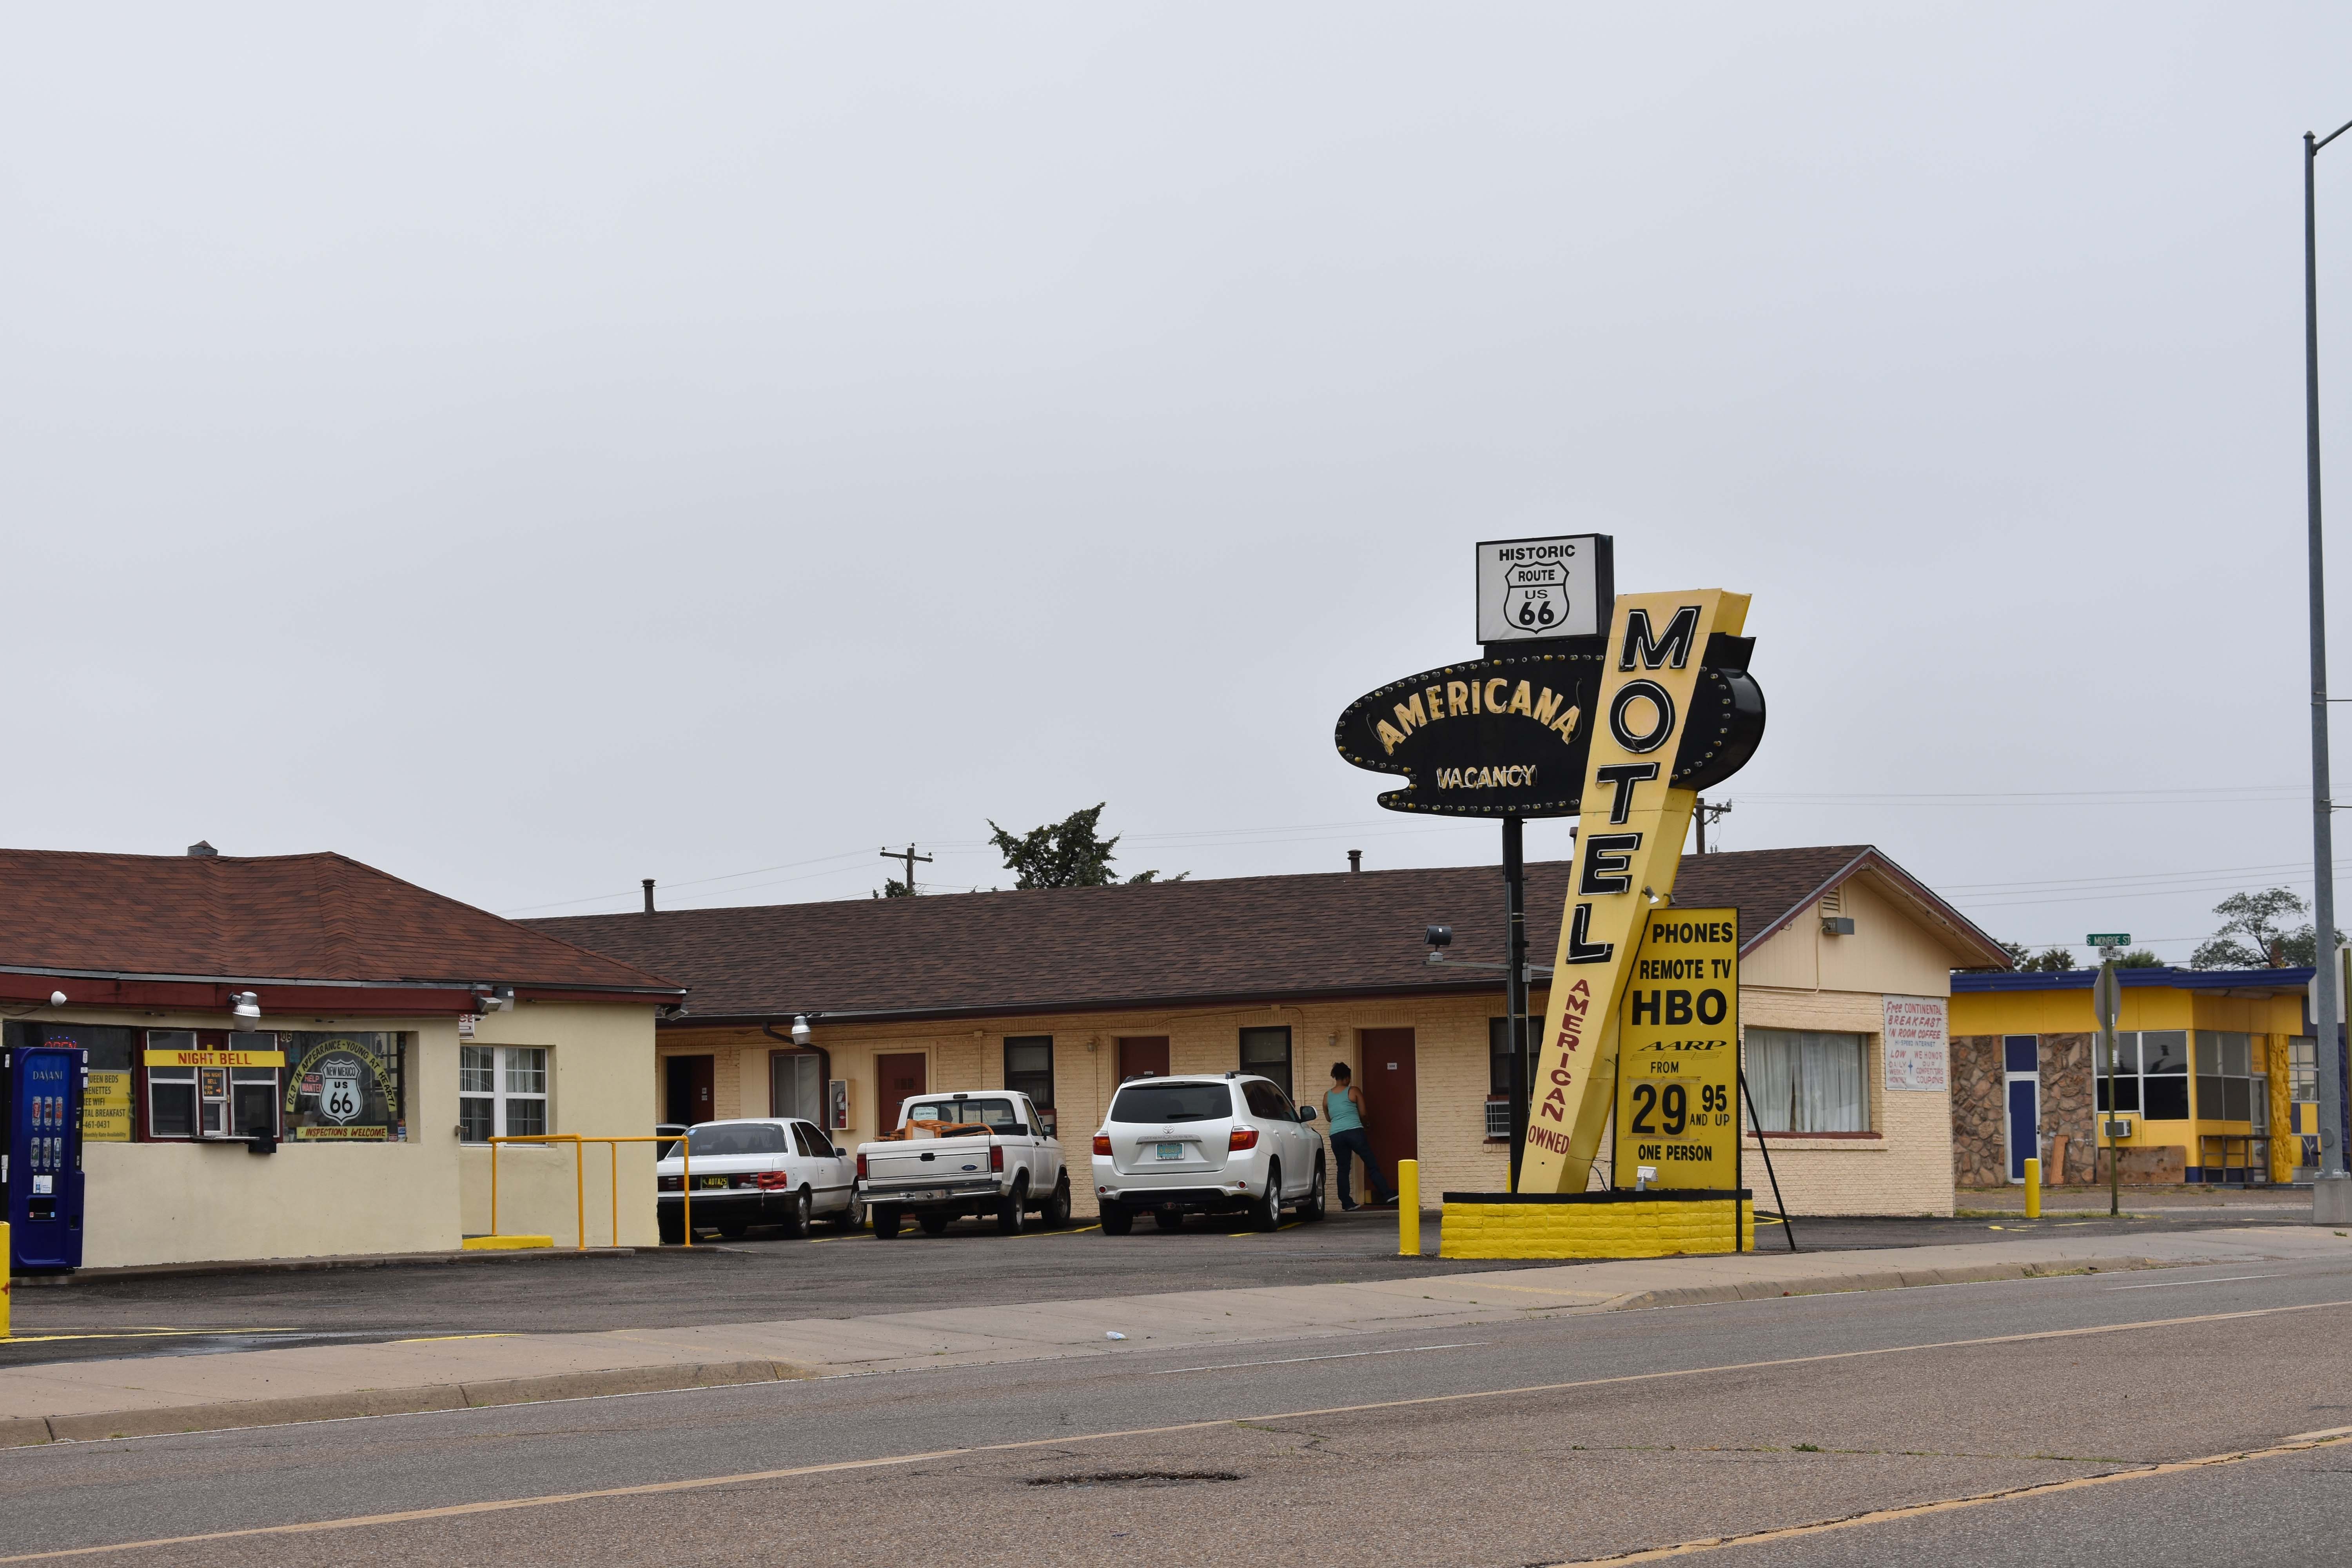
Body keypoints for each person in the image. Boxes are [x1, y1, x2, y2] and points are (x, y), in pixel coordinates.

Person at [1324, 1062, 1394, 1210]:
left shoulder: (1327, 1096)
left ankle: (1347, 1203)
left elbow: (1329, 1118)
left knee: (1343, 1169)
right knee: (1371, 1164)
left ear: (1335, 1077)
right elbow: (1363, 1113)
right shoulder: (1354, 1091)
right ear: (1347, 1077)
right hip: (1354, 1131)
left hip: (1336, 1134)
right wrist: (1367, 1124)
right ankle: (1387, 1194)